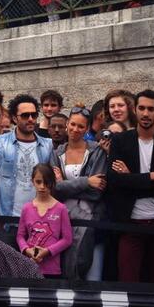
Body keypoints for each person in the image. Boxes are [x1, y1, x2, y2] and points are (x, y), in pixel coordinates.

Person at [107, 89, 154, 283]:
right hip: (129, 223)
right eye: (142, 108)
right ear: (135, 110)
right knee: (128, 281)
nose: (146, 114)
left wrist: (131, 178)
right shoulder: (121, 141)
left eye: (151, 109)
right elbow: (114, 181)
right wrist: (151, 178)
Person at [52, 106, 108, 280]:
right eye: (73, 124)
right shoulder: (57, 153)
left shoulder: (96, 151)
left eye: (81, 126)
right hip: (63, 220)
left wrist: (65, 185)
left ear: (87, 128)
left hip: (90, 220)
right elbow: (54, 189)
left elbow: (96, 192)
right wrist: (86, 181)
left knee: (90, 274)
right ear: (67, 124)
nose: (76, 130)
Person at [0, 93, 57, 216]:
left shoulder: (47, 145)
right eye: (24, 115)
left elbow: (52, 183)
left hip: (39, 218)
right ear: (14, 118)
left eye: (33, 115)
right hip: (7, 218)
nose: (30, 119)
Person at [17, 163, 72, 277]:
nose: (42, 186)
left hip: (52, 269)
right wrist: (27, 250)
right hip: (28, 266)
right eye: (38, 182)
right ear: (32, 181)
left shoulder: (61, 208)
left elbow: (67, 239)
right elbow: (20, 236)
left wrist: (47, 251)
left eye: (46, 183)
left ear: (53, 183)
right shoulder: (26, 208)